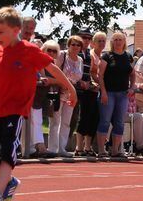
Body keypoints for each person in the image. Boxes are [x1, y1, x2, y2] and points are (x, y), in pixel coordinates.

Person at [0, 7, 76, 201]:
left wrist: (70, 88)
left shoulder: (29, 50)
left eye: (1, 32)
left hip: (16, 109)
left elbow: (52, 69)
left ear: (16, 30)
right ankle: (9, 184)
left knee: (7, 149)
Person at [96, 31, 134, 158]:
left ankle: (115, 150)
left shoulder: (128, 56)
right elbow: (100, 75)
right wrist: (104, 92)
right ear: (112, 42)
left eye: (120, 39)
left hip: (123, 94)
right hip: (109, 93)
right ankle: (101, 150)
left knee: (119, 122)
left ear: (124, 41)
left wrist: (132, 87)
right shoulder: (107, 56)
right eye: (115, 39)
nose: (118, 42)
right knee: (105, 121)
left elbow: (133, 73)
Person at [49, 36, 83, 157]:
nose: (75, 47)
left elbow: (78, 77)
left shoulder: (80, 60)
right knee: (55, 121)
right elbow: (54, 72)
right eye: (73, 44)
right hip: (59, 92)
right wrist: (63, 83)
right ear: (68, 45)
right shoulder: (62, 55)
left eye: (78, 45)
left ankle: (61, 148)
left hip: (71, 94)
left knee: (66, 122)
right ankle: (52, 148)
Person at [73, 29, 99, 157]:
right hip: (77, 88)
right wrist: (81, 82)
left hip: (89, 88)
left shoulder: (89, 53)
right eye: (84, 37)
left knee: (93, 117)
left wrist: (94, 83)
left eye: (89, 38)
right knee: (82, 117)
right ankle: (78, 147)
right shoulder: (74, 51)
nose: (87, 40)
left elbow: (92, 72)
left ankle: (87, 146)